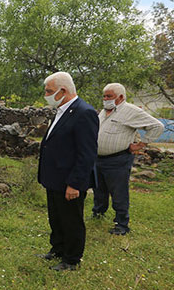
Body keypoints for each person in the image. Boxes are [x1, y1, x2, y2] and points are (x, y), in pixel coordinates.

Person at [37, 72, 99, 271]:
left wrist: (75, 183)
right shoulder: (62, 110)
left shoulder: (84, 112)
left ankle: (71, 259)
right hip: (55, 177)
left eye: (49, 91)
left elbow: (87, 153)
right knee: (56, 217)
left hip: (69, 179)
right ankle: (58, 249)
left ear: (63, 91)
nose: (46, 95)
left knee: (71, 220)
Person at [92, 83, 164, 235]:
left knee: (119, 192)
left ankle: (121, 224)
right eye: (104, 96)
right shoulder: (105, 112)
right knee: (99, 188)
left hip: (118, 159)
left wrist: (141, 144)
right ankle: (98, 213)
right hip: (98, 159)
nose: (105, 99)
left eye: (109, 96)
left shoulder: (130, 111)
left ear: (120, 97)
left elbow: (157, 126)